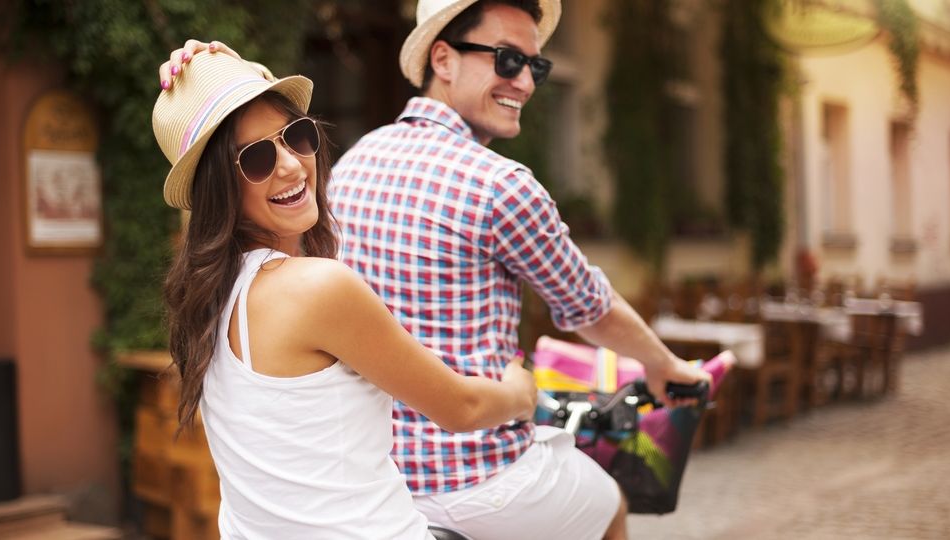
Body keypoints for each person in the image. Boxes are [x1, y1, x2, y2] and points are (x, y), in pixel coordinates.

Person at [159, 2, 711, 538]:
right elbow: (577, 316)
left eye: (298, 136)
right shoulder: (496, 186)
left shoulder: (224, 287)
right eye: (507, 59)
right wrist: (526, 390)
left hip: (387, 478)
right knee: (608, 503)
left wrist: (214, 79)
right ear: (442, 60)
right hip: (469, 473)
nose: (525, 81)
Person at [152, 50, 537, 539]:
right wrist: (521, 393)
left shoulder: (210, 301)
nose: (292, 166)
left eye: (296, 136)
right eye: (257, 158)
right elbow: (461, 408)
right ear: (217, 188)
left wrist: (220, 69)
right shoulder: (316, 287)